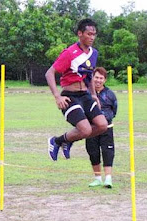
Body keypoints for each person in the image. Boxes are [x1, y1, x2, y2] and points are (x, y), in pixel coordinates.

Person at [45, 18, 107, 161]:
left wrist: (93, 94)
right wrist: (57, 97)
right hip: (70, 96)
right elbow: (49, 73)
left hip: (85, 95)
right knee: (85, 130)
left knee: (103, 125)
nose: (92, 37)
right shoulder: (70, 53)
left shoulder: (94, 53)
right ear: (80, 33)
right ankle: (56, 141)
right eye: (89, 34)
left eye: (94, 34)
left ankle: (67, 140)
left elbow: (89, 74)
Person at [86, 67, 117, 188]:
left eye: (101, 78)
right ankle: (97, 178)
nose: (98, 80)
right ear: (92, 78)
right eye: (96, 77)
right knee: (93, 152)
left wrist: (105, 119)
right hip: (91, 128)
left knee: (107, 151)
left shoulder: (110, 94)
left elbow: (114, 110)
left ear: (105, 80)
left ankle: (108, 179)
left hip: (107, 128)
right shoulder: (86, 94)